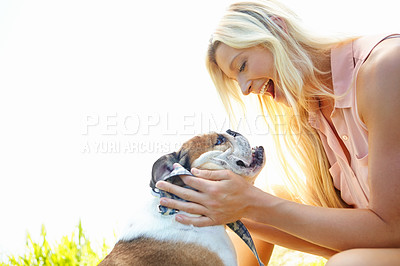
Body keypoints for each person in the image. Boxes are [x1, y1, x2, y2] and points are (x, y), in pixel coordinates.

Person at [156, 0, 400, 265]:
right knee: (247, 209)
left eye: (242, 66)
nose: (244, 89)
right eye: (235, 79)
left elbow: (391, 228)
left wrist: (253, 203)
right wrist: (235, 207)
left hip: (387, 236)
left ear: (278, 29)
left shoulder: (385, 68)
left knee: (348, 264)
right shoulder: (313, 109)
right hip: (381, 242)